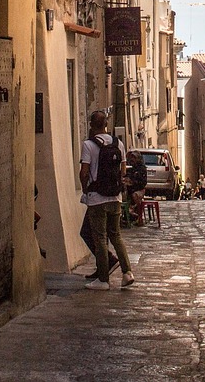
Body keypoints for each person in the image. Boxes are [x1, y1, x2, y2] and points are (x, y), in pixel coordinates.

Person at [80, 110, 134, 290]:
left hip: (97, 198)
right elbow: (123, 171)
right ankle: (127, 273)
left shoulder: (88, 145)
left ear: (91, 125)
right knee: (116, 235)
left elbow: (85, 172)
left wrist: (86, 189)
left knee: (100, 238)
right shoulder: (118, 144)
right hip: (115, 197)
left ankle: (103, 279)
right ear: (106, 124)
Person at [125, 150, 148, 225]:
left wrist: (133, 183)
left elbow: (143, 183)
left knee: (135, 195)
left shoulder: (141, 169)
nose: (132, 160)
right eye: (131, 158)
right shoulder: (130, 168)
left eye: (134, 158)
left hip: (139, 189)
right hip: (130, 190)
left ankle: (136, 214)